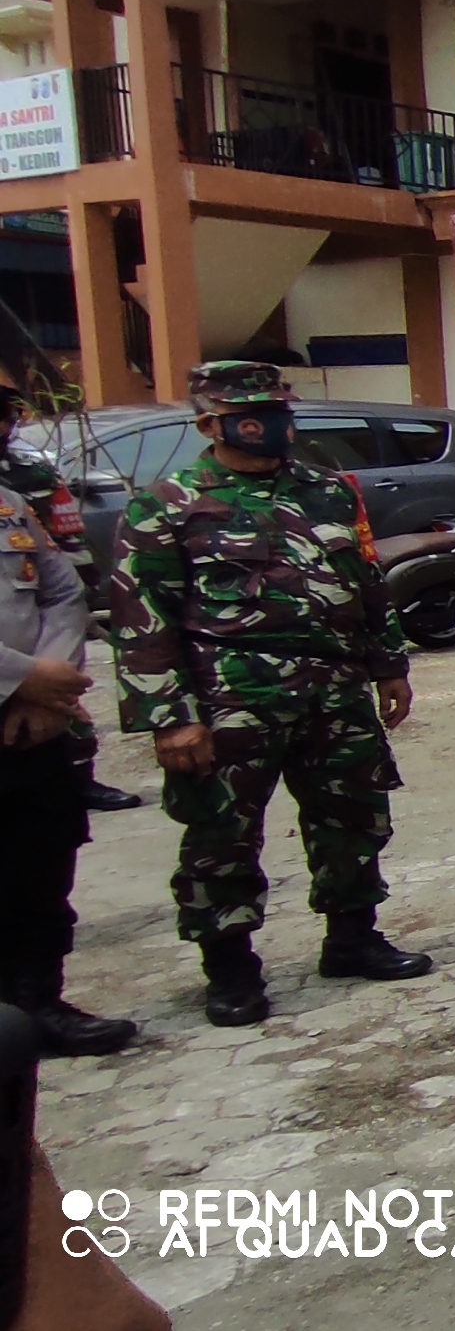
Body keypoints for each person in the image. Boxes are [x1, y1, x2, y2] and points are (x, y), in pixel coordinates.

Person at [111, 361, 432, 1028]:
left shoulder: (327, 491)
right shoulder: (168, 502)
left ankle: (352, 938)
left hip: (335, 686)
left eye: (280, 409)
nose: (275, 423)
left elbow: (365, 580)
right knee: (220, 834)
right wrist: (169, 718)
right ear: (210, 423)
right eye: (254, 413)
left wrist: (389, 663)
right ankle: (229, 968)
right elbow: (143, 619)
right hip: (232, 696)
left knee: (354, 814)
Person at [0, 352, 134, 1055]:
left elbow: (62, 591)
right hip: (20, 698)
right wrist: (20, 677)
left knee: (39, 868)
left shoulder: (10, 502)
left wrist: (52, 683)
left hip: (35, 727)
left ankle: (36, 1006)